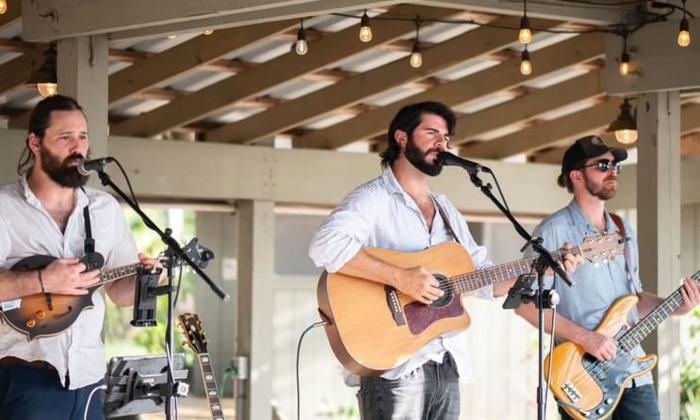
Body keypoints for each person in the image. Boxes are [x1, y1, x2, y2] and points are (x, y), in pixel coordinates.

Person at [308, 101, 582, 420]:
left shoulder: (445, 209)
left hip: (446, 363)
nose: (442, 142)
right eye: (432, 133)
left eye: (447, 137)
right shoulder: (373, 199)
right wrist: (401, 278)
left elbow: (481, 277)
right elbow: (325, 245)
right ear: (401, 138)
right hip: (396, 367)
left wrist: (541, 267)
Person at [515, 135, 700, 420]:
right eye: (603, 165)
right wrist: (587, 338)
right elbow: (524, 304)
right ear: (576, 175)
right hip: (580, 374)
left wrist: (675, 306)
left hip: (633, 372)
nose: (613, 171)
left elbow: (633, 299)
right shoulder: (552, 231)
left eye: (615, 166)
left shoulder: (622, 228)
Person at [0, 95, 155, 419]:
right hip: (24, 379)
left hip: (89, 379)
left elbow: (120, 294)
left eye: (83, 137)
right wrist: (44, 279)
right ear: (35, 142)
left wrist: (147, 278)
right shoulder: (4, 207)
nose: (78, 147)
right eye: (65, 137)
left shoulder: (104, 209)